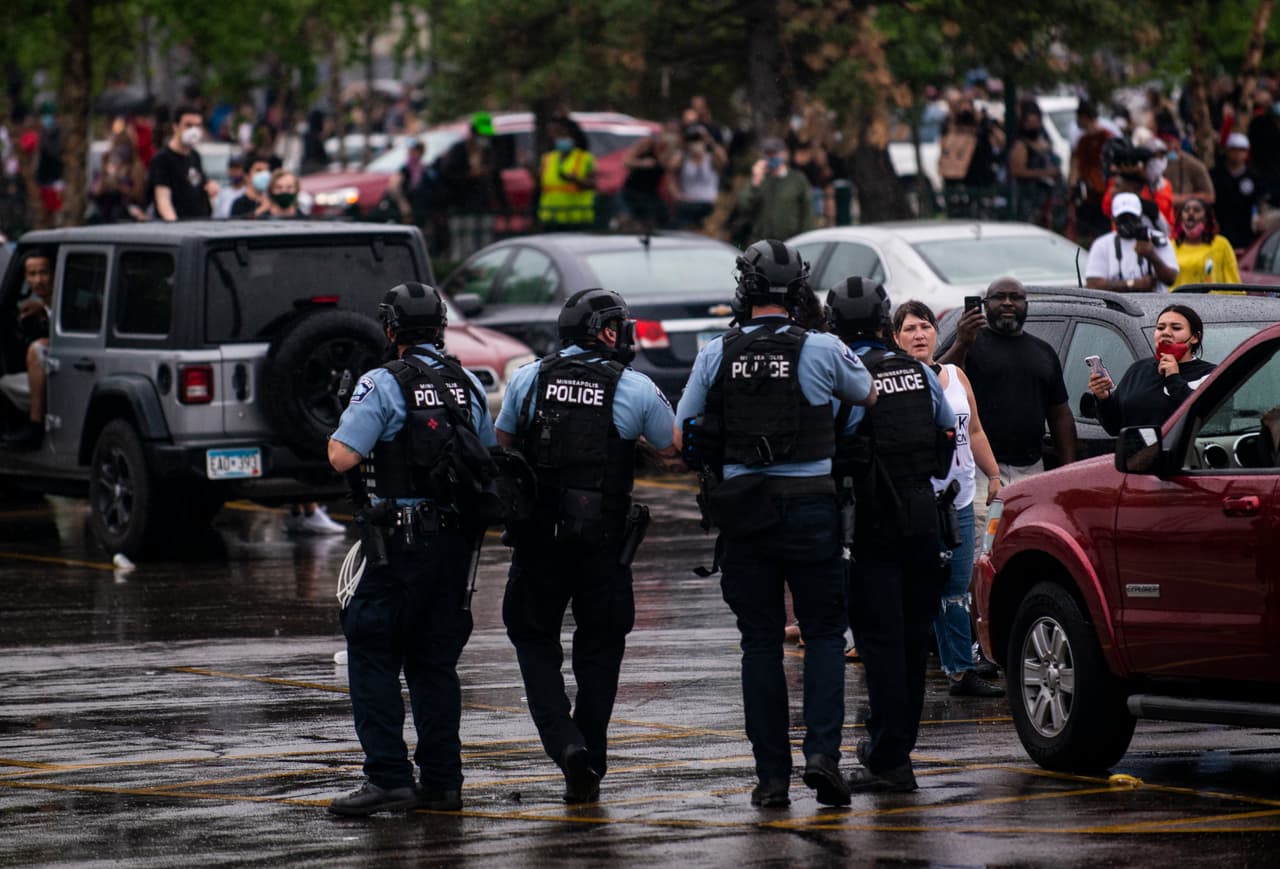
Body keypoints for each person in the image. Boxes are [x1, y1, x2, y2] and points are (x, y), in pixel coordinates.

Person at [675, 240, 876, 809]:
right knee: (823, 636)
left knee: (759, 641)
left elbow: (680, 431)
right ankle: (822, 756)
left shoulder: (718, 351)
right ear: (798, 293)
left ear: (745, 290)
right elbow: (865, 394)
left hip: (744, 509)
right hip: (812, 506)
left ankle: (771, 778)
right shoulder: (822, 346)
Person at [496, 289, 679, 804]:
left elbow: (504, 443)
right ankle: (591, 756)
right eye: (620, 326)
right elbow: (673, 451)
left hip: (537, 540)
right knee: (600, 650)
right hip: (603, 541)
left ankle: (565, 745)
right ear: (602, 330)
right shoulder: (635, 386)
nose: (626, 335)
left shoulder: (529, 378)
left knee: (535, 643)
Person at [325, 282, 496, 816]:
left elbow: (342, 457)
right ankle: (444, 781)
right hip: (453, 546)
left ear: (391, 329)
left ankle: (388, 777)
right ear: (441, 327)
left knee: (371, 650)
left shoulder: (381, 382)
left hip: (400, 543)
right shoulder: (465, 381)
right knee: (434, 663)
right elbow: (486, 456)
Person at [825, 279, 956, 793]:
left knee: (880, 646)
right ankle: (894, 749)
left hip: (871, 522)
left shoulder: (848, 378)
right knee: (909, 642)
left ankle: (889, 758)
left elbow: (837, 443)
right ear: (884, 321)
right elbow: (948, 433)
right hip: (924, 516)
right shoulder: (921, 373)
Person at [891, 300, 1004, 699]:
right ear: (895, 338)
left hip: (957, 499)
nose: (919, 334)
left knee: (957, 589)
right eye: (909, 329)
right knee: (915, 589)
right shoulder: (896, 380)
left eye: (925, 326)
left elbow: (973, 430)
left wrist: (993, 475)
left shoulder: (956, 375)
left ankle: (960, 670)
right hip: (915, 502)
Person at [939, 278, 1077, 495]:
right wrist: (962, 343)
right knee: (986, 530)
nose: (1007, 303)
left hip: (1032, 470)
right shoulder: (969, 343)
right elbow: (941, 382)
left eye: (1015, 297)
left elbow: (1060, 414)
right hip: (980, 471)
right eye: (999, 297)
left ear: (1026, 306)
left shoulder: (1044, 352)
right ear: (985, 305)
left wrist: (1069, 469)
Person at [1089, 303, 1215, 436]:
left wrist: (1174, 378)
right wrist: (1104, 399)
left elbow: (1208, 421)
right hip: (1137, 454)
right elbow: (1114, 427)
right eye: (1160, 328)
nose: (1166, 333)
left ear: (1195, 337)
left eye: (1176, 328)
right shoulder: (1138, 369)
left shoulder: (1209, 374)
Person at [1, 250, 54, 450]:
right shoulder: (41, 305)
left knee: (36, 350)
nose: (38, 280)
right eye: (32, 274)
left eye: (44, 273)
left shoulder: (69, 300)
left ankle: (35, 424)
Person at [1085, 192, 1179, 293]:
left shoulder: (1157, 239)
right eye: (1123, 218)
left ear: (1140, 215)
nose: (1128, 222)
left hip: (1155, 304)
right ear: (1113, 218)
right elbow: (1093, 284)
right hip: (1116, 307)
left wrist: (1151, 256)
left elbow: (1171, 279)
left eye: (1132, 217)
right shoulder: (1102, 244)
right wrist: (1133, 284)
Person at [148, 106, 216, 220]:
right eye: (188, 125)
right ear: (176, 127)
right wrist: (175, 226)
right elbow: (163, 200)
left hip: (200, 224)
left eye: (198, 126)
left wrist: (210, 188)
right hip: (180, 229)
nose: (194, 130)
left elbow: (197, 184)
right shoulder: (162, 159)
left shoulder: (195, 156)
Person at [735, 138, 811, 241]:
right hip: (761, 241)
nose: (771, 157)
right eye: (767, 154)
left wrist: (804, 240)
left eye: (774, 153)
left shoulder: (797, 180)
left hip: (789, 242)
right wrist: (755, 183)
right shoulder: (760, 178)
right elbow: (743, 205)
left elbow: (807, 213)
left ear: (784, 154)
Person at [1008, 100, 1063, 230]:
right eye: (1030, 122)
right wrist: (1044, 173)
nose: (1034, 125)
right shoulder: (1020, 145)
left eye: (1036, 121)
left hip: (1047, 197)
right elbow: (1017, 171)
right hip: (1029, 197)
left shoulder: (1043, 140)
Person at [669, 111, 726, 230]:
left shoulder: (711, 159)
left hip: (708, 206)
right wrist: (683, 144)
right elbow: (669, 169)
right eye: (693, 140)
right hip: (687, 205)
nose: (695, 143)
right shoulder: (684, 158)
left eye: (698, 140)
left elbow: (723, 159)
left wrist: (708, 139)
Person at [537, 117, 596, 231]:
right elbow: (541, 184)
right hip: (551, 218)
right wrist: (528, 167)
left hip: (577, 218)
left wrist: (575, 180)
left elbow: (593, 184)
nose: (558, 138)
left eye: (562, 134)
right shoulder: (547, 158)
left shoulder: (585, 158)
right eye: (556, 135)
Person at [1211, 132, 1263, 249]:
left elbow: (1260, 199)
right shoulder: (1215, 174)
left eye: (1241, 150)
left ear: (1246, 153)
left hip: (1245, 231)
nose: (1237, 154)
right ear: (1226, 151)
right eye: (1233, 149)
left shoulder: (1253, 176)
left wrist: (1261, 217)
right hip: (1221, 229)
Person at [1171, 198, 1240, 288]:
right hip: (1176, 301)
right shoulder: (1171, 246)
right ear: (1180, 218)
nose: (1191, 213)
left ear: (1207, 217)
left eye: (1197, 210)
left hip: (1215, 301)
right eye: (1186, 210)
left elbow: (1233, 282)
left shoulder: (1221, 244)